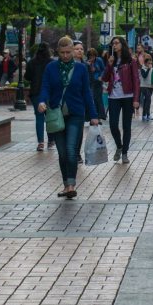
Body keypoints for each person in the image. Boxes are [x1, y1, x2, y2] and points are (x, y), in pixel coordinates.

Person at [36, 36, 99, 199]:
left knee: (71, 150)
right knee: (62, 153)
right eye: (62, 52)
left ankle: (71, 184)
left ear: (73, 51)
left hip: (76, 114)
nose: (65, 55)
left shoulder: (80, 69)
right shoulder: (51, 68)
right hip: (56, 114)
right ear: (58, 51)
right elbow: (45, 87)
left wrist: (93, 115)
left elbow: (86, 92)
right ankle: (65, 184)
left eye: (68, 52)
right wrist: (42, 101)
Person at [101, 36, 141, 162]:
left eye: (117, 43)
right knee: (113, 125)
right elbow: (105, 78)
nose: (114, 45)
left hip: (128, 96)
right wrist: (109, 65)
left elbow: (136, 80)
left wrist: (136, 99)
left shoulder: (131, 61)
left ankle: (124, 153)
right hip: (114, 96)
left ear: (122, 45)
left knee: (126, 126)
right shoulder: (111, 59)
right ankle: (119, 146)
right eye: (113, 43)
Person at [24, 43, 52, 152]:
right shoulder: (51, 63)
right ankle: (51, 140)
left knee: (39, 117)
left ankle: (40, 142)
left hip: (36, 92)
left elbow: (27, 77)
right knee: (50, 117)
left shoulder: (32, 62)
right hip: (49, 93)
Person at [87, 47, 107, 120]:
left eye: (93, 56)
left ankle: (101, 115)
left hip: (98, 82)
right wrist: (89, 66)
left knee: (99, 98)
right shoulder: (87, 62)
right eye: (90, 56)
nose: (92, 57)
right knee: (93, 98)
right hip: (91, 82)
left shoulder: (99, 60)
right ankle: (95, 115)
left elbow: (103, 69)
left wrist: (101, 76)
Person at [139, 55, 153, 122]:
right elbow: (144, 76)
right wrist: (148, 69)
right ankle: (145, 115)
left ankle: (147, 115)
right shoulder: (142, 68)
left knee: (147, 101)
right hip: (144, 86)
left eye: (150, 63)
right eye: (148, 63)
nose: (150, 64)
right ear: (145, 63)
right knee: (148, 99)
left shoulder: (152, 69)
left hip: (150, 86)